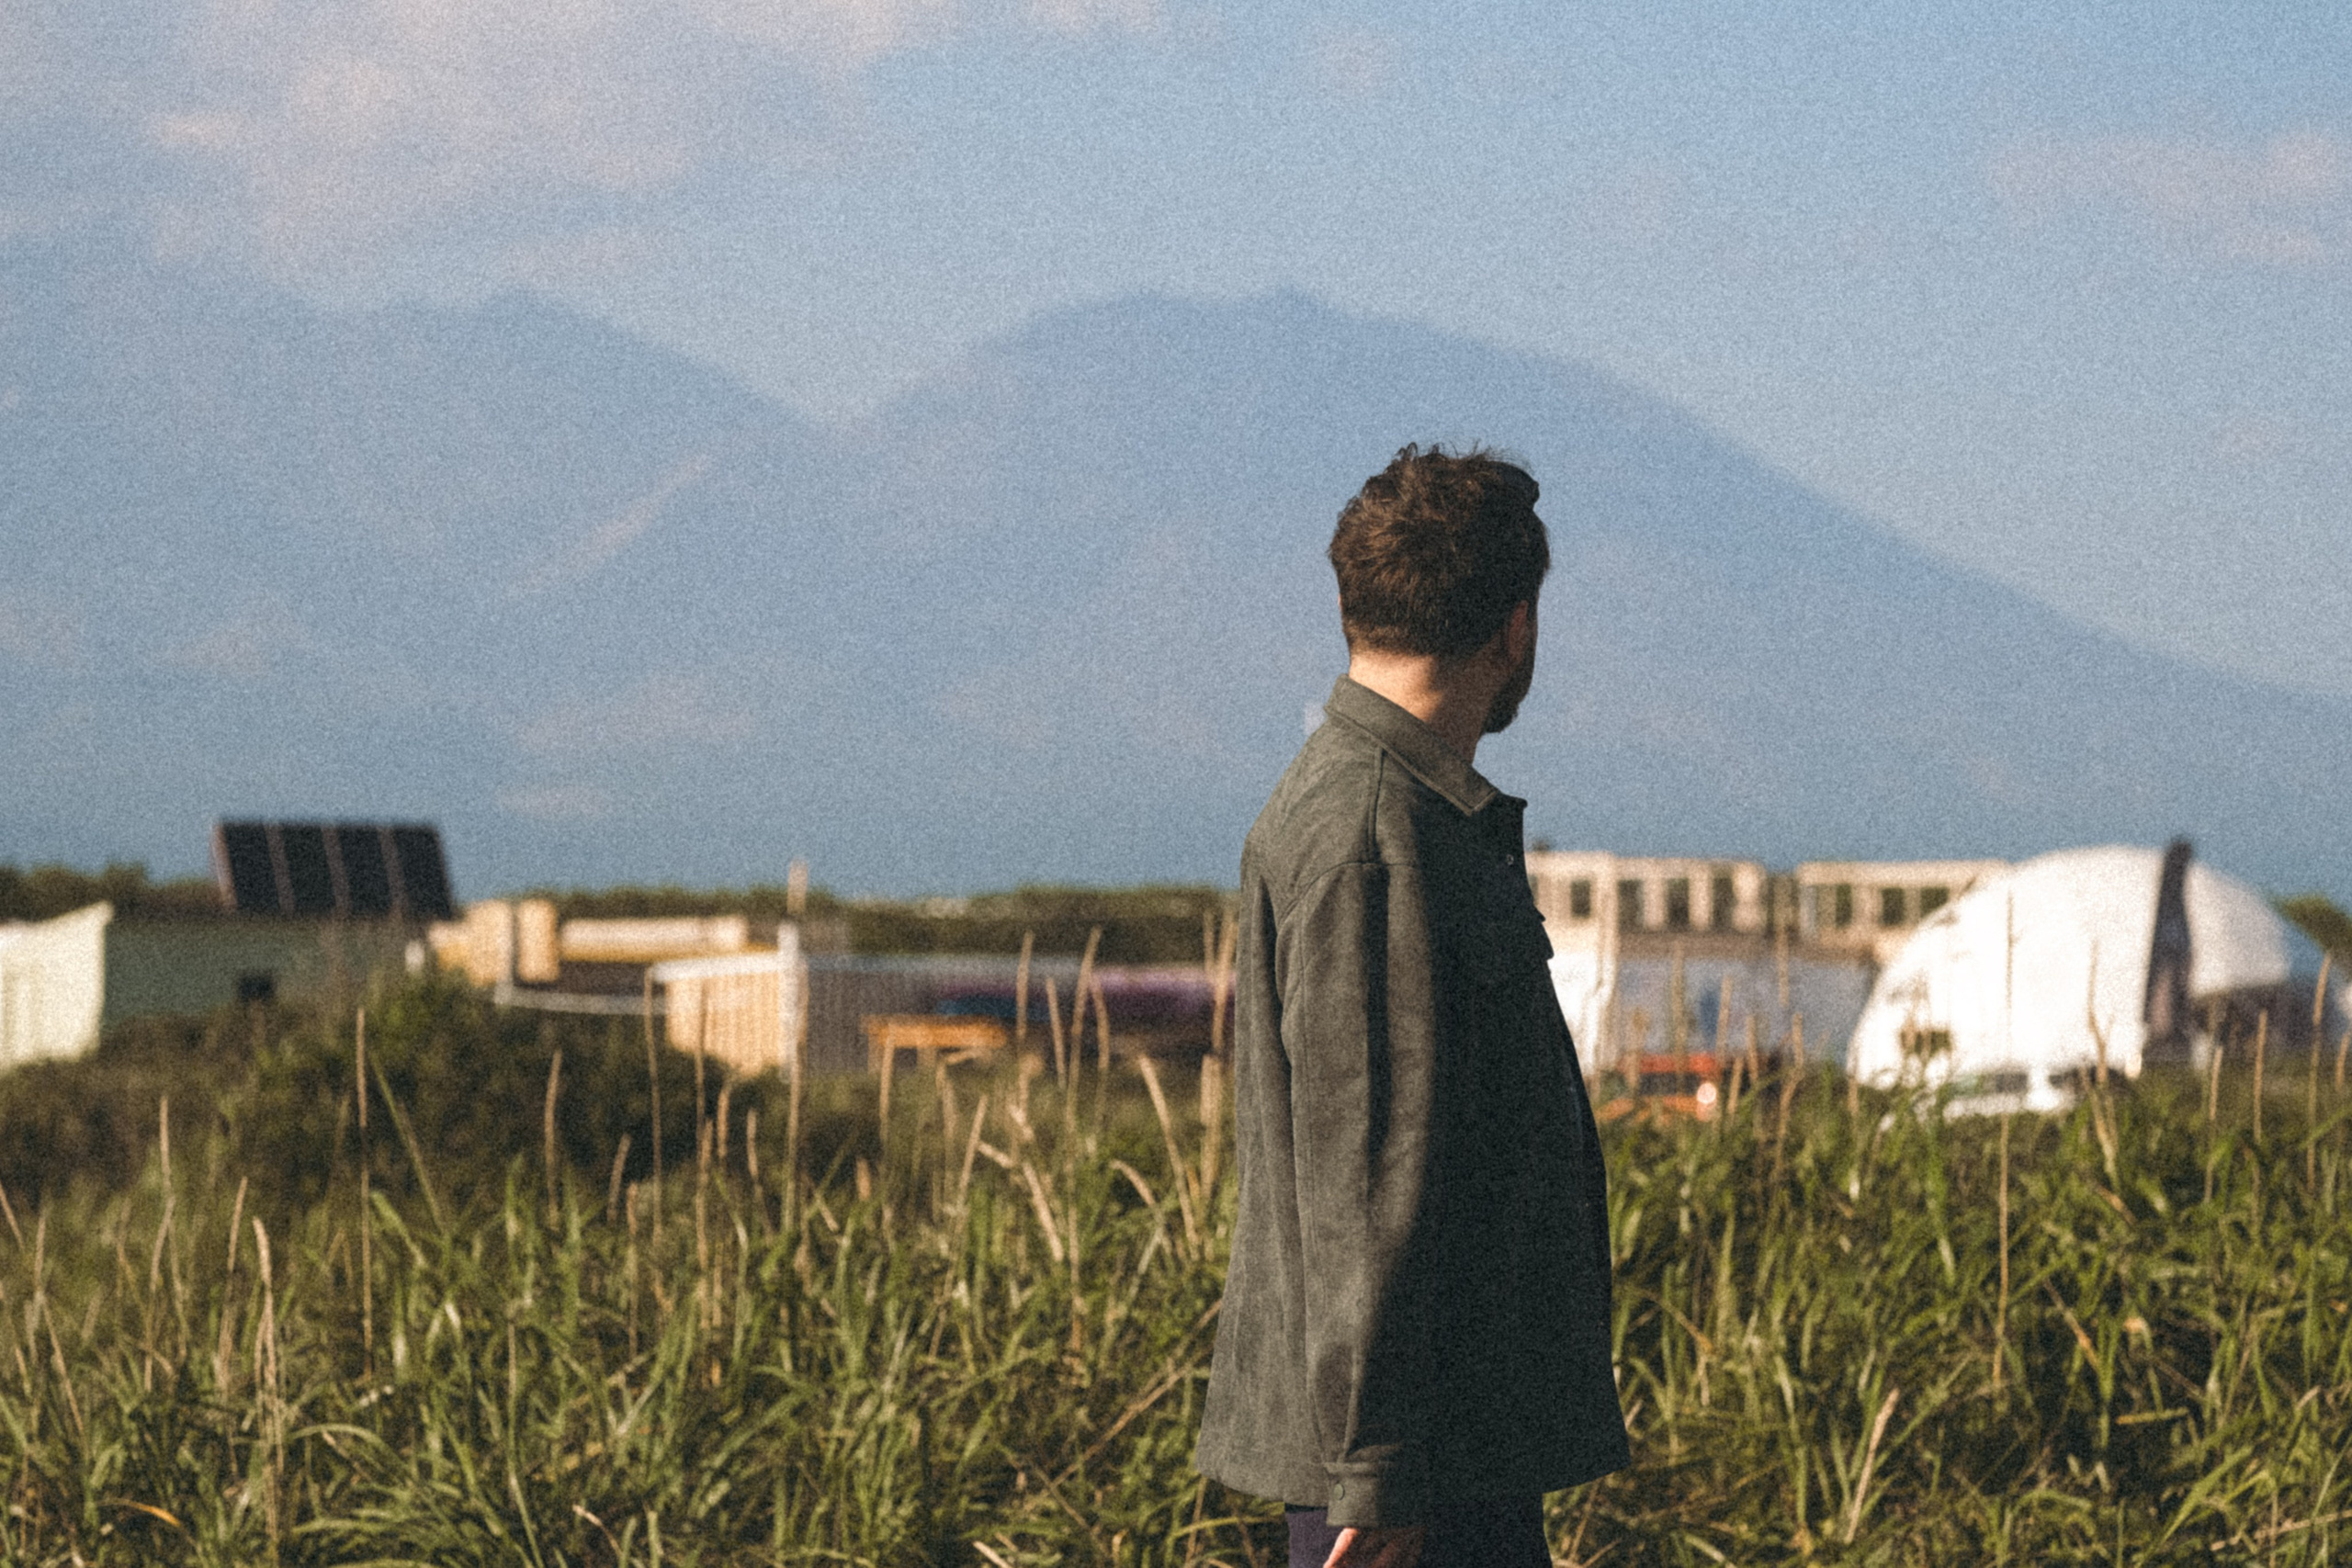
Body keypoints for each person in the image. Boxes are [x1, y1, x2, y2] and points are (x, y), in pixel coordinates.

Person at [1194, 446, 1629, 1568]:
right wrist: (1376, 1472)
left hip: (1431, 1453)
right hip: (1406, 1479)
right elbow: (1363, 1176)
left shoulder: (1389, 815)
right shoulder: (1375, 840)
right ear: (1513, 627)